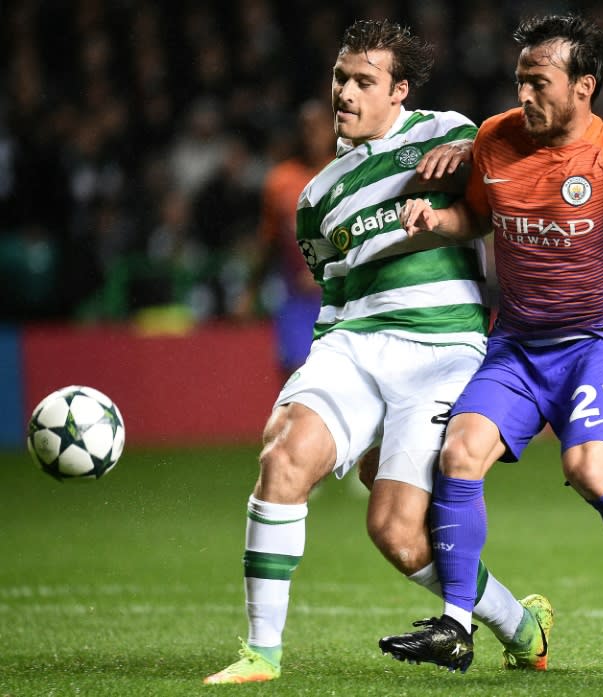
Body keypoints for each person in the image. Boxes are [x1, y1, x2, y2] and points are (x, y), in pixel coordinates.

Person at [203, 19, 552, 685]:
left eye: (364, 81)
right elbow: (336, 291)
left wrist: (475, 156)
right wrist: (333, 389)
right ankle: (261, 653)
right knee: (282, 457)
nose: (346, 92)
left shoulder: (444, 132)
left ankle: (520, 624)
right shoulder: (313, 197)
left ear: (399, 92)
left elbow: (519, 159)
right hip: (353, 345)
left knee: (394, 531)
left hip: (442, 351)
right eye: (341, 78)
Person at [379, 13, 603, 675]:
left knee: (590, 471)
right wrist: (434, 218)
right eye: (519, 81)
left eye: (539, 83)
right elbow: (477, 214)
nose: (525, 96)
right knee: (459, 453)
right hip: (516, 346)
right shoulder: (496, 137)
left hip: (591, 344)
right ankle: (455, 625)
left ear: (583, 87)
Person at [235, 100, 336, 380]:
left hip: (342, 295)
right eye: (305, 127)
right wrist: (249, 291)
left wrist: (324, 271)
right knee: (295, 380)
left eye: (318, 127)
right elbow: (269, 243)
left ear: (332, 129)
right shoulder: (279, 181)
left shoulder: (348, 172)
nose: (311, 134)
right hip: (296, 299)